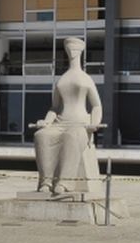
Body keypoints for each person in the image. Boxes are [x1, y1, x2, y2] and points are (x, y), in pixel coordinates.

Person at [33, 37, 102, 194]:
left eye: (75, 49)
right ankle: (46, 182)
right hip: (60, 122)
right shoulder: (61, 79)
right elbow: (55, 107)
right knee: (41, 136)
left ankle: (65, 182)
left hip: (80, 124)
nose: (72, 52)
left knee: (71, 136)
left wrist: (94, 123)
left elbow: (97, 105)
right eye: (69, 49)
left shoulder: (86, 78)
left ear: (81, 51)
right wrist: (46, 121)